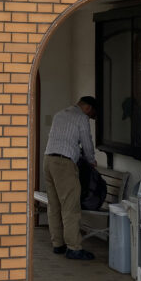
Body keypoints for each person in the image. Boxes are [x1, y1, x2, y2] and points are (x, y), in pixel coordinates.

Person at [43, 96, 98, 260]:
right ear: (87, 108)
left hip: (48, 160)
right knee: (70, 206)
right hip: (63, 163)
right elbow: (86, 142)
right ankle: (73, 247)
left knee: (54, 205)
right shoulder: (81, 117)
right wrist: (91, 159)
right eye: (91, 114)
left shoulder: (60, 114)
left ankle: (58, 244)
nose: (89, 117)